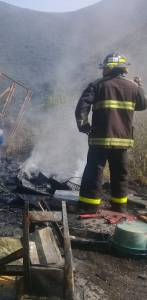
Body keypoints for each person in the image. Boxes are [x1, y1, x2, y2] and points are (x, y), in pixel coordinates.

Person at [75, 52, 146, 214]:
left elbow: (82, 107)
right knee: (120, 173)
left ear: (110, 68)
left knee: (94, 171)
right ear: (123, 69)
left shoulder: (96, 85)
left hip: (100, 138)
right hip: (122, 140)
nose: (102, 71)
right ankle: (119, 206)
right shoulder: (133, 87)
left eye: (104, 68)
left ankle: (89, 206)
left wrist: (83, 126)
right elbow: (142, 105)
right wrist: (139, 86)